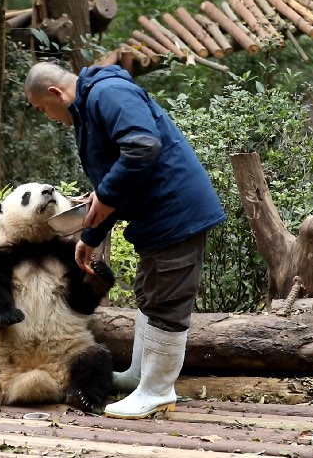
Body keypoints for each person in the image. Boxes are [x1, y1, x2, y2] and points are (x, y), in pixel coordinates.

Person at [24, 61, 225, 420]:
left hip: (176, 212)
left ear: (55, 93)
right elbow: (114, 184)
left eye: (42, 109)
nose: (47, 117)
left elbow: (143, 147)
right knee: (150, 291)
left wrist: (104, 195)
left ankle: (158, 391)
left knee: (167, 301)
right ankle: (139, 375)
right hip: (155, 216)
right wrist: (90, 235)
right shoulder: (88, 109)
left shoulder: (107, 93)